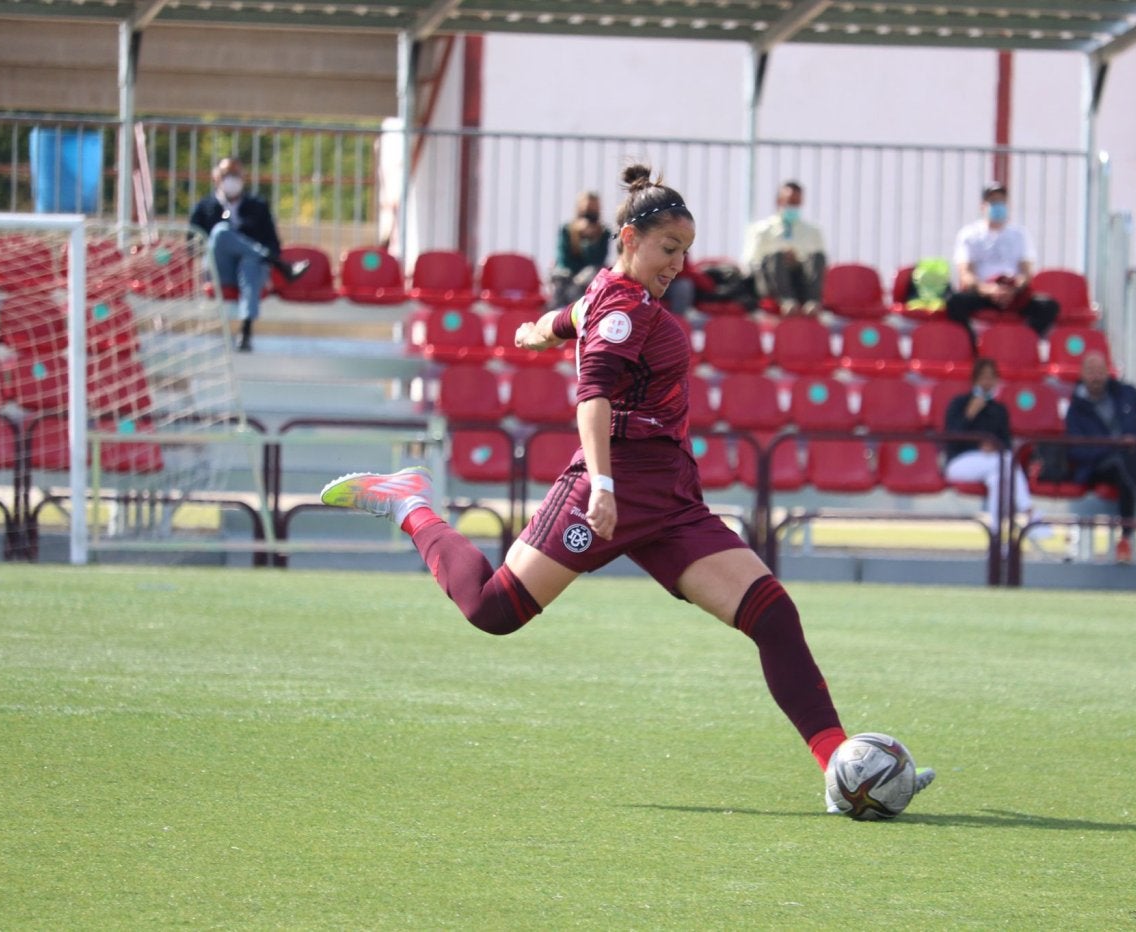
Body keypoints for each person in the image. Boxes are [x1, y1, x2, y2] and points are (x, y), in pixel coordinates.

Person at [319, 164, 933, 814]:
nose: (677, 264)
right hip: (612, 487)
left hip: (669, 497)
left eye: (685, 252)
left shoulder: (614, 299)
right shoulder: (621, 310)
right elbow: (592, 398)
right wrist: (603, 485)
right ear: (630, 236)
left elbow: (578, 311)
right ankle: (409, 503)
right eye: (669, 248)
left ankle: (841, 768)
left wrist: (542, 329)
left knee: (773, 615)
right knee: (492, 611)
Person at [189, 157, 308, 352]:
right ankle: (280, 265)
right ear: (216, 177)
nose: (231, 179)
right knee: (220, 232)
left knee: (251, 261)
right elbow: (192, 245)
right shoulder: (204, 208)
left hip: (250, 272)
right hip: (220, 270)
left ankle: (246, 330)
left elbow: (273, 243)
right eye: (226, 174)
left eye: (235, 174)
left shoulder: (258, 207)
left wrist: (249, 250)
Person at [1063, 350, 1136, 562]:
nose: (1096, 376)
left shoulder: (1126, 393)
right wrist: (1115, 445)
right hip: (1096, 466)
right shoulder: (1076, 410)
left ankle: (1125, 540)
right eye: (1091, 371)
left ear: (1108, 372)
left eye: (1100, 371)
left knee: (1124, 470)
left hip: (1131, 461)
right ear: (1082, 374)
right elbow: (1077, 450)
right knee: (1121, 460)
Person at [943, 357, 1052, 544]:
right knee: (1006, 460)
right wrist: (969, 415)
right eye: (983, 377)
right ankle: (1029, 512)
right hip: (959, 463)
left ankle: (998, 537)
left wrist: (993, 447)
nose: (987, 382)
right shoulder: (959, 403)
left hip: (993, 463)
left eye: (991, 377)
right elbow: (951, 438)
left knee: (998, 480)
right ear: (974, 379)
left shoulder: (999, 409)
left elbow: (1006, 442)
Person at [945, 182, 1059, 341]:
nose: (998, 206)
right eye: (993, 201)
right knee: (954, 303)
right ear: (983, 206)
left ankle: (1022, 342)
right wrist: (988, 289)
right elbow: (965, 273)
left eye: (1001, 201)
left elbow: (1026, 271)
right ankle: (973, 346)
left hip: (1013, 293)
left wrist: (1014, 288)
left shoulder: (1019, 234)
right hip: (983, 293)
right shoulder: (969, 234)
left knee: (1048, 306)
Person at [742, 181, 827, 316]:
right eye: (789, 201)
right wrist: (780, 258)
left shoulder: (813, 231)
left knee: (817, 257)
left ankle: (812, 302)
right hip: (771, 283)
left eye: (796, 202)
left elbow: (818, 264)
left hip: (800, 281)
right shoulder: (761, 230)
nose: (793, 206)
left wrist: (797, 259)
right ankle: (787, 301)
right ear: (779, 201)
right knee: (777, 257)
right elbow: (751, 261)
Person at [550, 191, 613, 308]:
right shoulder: (567, 230)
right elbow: (563, 260)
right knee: (559, 275)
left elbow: (598, 260)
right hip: (567, 278)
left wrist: (589, 241)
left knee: (593, 274)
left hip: (588, 278)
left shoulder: (604, 233)